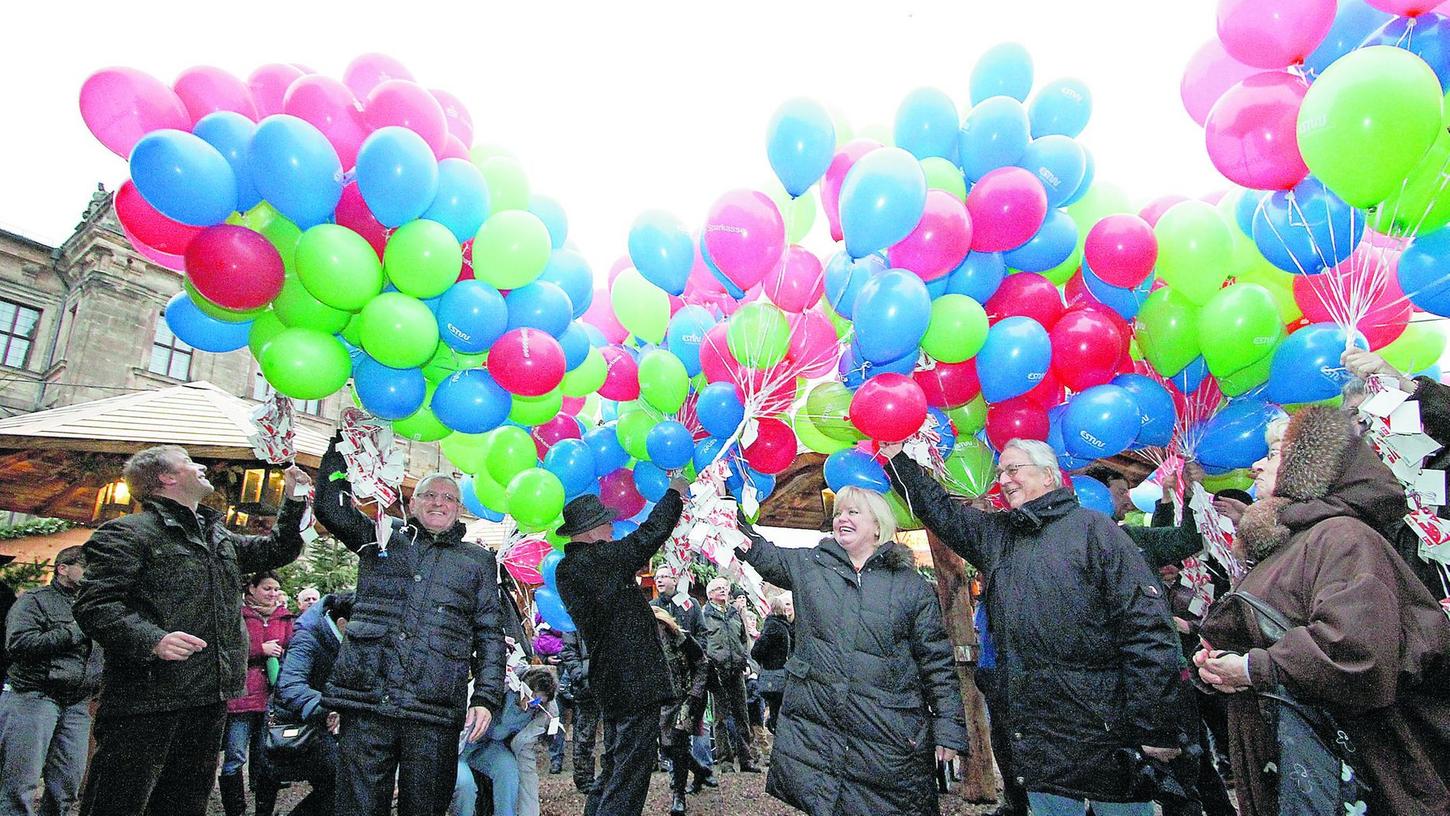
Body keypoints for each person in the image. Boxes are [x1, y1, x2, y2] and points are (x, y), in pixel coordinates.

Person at [885, 439, 1183, 816]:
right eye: (1000, 472)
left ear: (1048, 475)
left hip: (1105, 740)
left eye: (1014, 469)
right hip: (1038, 745)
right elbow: (942, 512)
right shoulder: (999, 536)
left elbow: (1146, 631)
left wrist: (1156, 727)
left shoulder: (1096, 532)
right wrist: (897, 459)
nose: (1004, 479)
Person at [1195, 407, 1450, 816]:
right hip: (1308, 770)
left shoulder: (1342, 536)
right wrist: (1224, 663)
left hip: (1353, 774)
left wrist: (1251, 669)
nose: (1257, 464)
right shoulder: (1295, 542)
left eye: (1275, 453)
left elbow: (1357, 651)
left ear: (1308, 470)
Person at [73, 446, 309, 816]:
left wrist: (294, 499)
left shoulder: (218, 538)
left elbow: (279, 549)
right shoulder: (126, 533)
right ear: (166, 478)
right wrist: (152, 640)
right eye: (188, 462)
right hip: (146, 698)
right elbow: (94, 605)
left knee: (184, 802)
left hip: (209, 697)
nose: (200, 467)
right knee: (119, 801)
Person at [733, 484, 967, 815]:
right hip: (825, 738)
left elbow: (936, 663)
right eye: (839, 512)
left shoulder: (910, 586)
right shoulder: (811, 566)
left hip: (889, 739)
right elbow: (760, 551)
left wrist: (949, 728)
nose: (842, 518)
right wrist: (727, 511)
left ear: (877, 525)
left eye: (853, 512)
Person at [314, 435, 506, 816]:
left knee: (426, 807)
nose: (439, 502)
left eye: (449, 497)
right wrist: (342, 448)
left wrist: (486, 697)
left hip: (434, 708)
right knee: (357, 807)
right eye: (430, 495)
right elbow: (330, 508)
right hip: (369, 700)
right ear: (413, 502)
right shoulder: (381, 538)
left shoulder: (477, 562)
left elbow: (489, 634)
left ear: (459, 508)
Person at [554, 480, 689, 816]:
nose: (613, 527)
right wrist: (674, 495)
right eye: (607, 522)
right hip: (632, 681)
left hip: (614, 680)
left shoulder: (574, 567)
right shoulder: (593, 562)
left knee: (616, 766)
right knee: (630, 773)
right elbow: (648, 537)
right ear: (591, 530)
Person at [0, 545, 102, 816]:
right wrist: (73, 632)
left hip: (78, 703)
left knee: (68, 782)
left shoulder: (96, 605)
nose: (92, 573)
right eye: (86, 567)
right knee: (22, 781)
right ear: (63, 568)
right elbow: (18, 643)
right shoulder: (34, 600)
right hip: (34, 696)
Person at [268, 590, 353, 816]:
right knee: (341, 781)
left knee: (341, 785)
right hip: (296, 723)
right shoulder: (308, 636)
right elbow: (290, 686)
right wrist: (329, 708)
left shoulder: (343, 640)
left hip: (323, 722)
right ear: (343, 623)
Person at [221, 571, 295, 816]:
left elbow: (294, 651)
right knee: (235, 755)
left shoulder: (284, 618)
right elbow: (227, 649)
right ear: (251, 589)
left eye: (276, 589)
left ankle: (264, 809)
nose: (272, 594)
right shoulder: (237, 616)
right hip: (241, 696)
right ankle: (236, 810)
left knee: (267, 755)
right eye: (267, 589)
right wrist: (258, 650)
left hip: (271, 697)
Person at [454, 668, 559, 816]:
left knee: (509, 772)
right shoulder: (498, 687)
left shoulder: (539, 716)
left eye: (538, 703)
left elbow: (527, 765)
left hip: (491, 748)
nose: (531, 705)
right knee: (466, 786)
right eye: (532, 698)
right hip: (459, 747)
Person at [652, 606, 711, 816]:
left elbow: (703, 663)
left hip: (685, 698)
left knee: (678, 744)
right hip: (660, 702)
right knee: (667, 748)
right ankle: (701, 771)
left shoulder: (681, 638)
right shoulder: (643, 643)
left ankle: (679, 796)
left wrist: (695, 693)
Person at [699, 577, 759, 773]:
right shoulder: (705, 614)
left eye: (725, 588)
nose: (723, 591)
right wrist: (709, 665)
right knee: (720, 718)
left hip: (737, 670)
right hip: (717, 672)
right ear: (710, 595)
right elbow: (703, 643)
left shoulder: (735, 612)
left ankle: (746, 760)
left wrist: (745, 661)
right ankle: (725, 762)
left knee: (742, 715)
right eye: (718, 589)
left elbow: (744, 639)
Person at [558, 629, 599, 794]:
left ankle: (611, 774)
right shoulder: (572, 621)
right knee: (584, 734)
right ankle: (584, 779)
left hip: (609, 682)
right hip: (585, 684)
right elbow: (568, 651)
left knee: (613, 732)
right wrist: (580, 675)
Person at [751, 594, 793, 734]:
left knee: (775, 710)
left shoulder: (772, 626)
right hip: (783, 673)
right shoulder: (785, 626)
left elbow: (756, 651)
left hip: (772, 674)